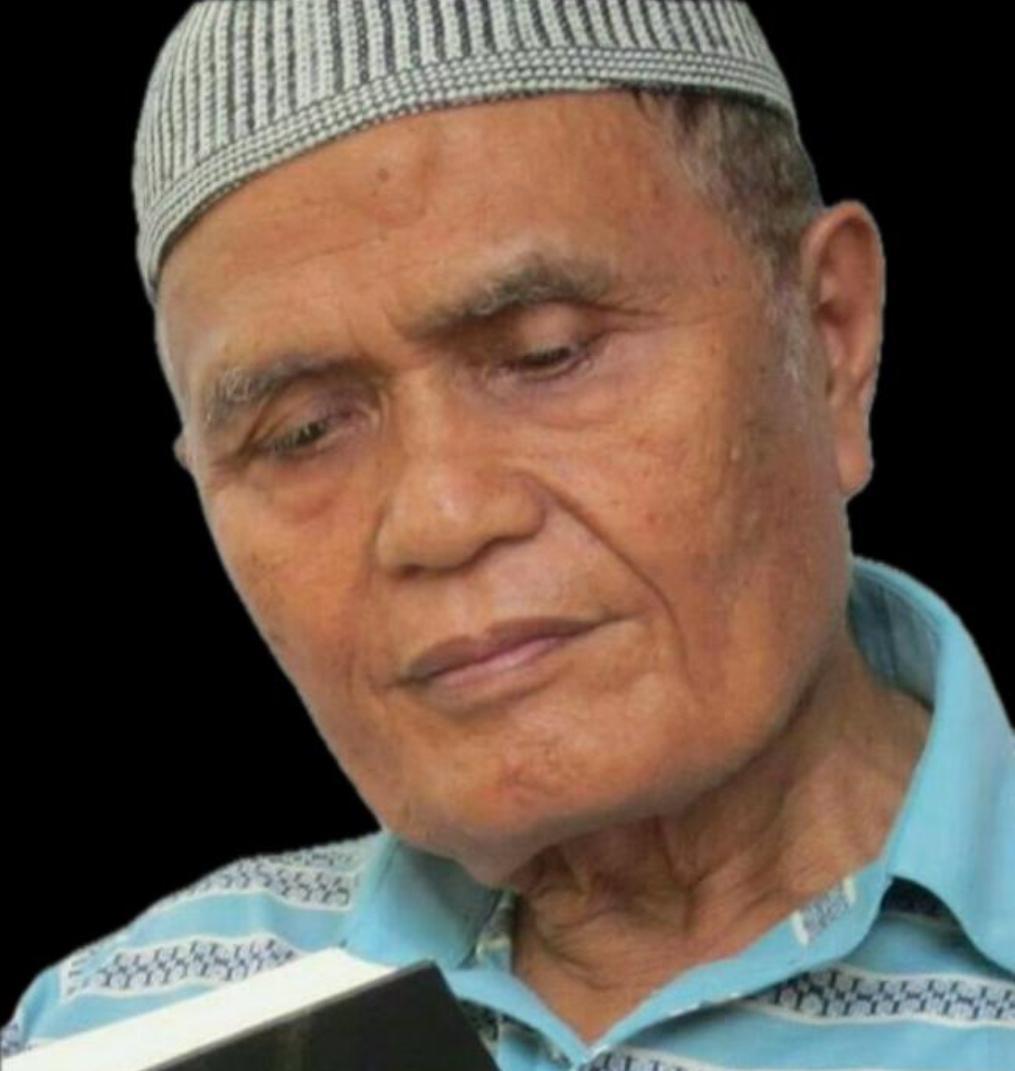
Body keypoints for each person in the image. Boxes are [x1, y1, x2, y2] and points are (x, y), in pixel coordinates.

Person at [4, 1, 1012, 1066]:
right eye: (301, 433)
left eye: (547, 356)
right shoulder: (115, 1025)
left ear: (828, 338)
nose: (438, 518)